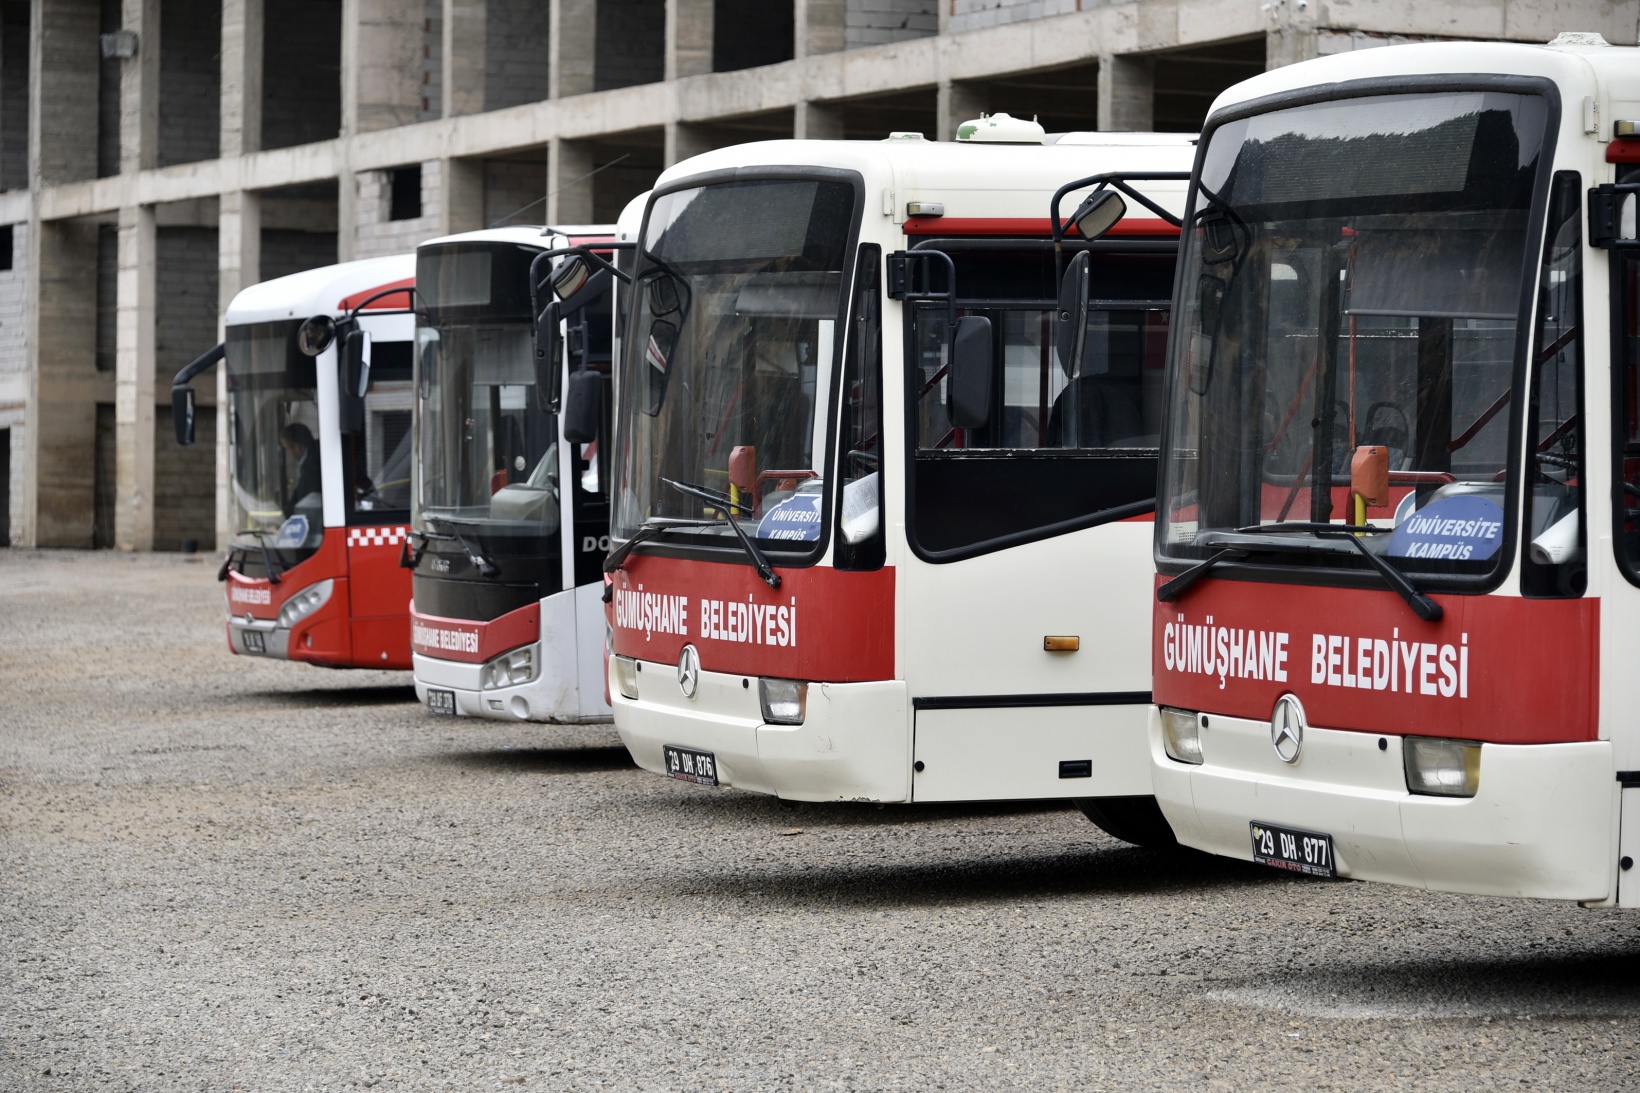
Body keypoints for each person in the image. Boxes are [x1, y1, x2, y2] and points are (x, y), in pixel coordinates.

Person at [281, 422, 322, 515]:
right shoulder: (313, 456)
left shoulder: (312, 466)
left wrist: (284, 515)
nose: (288, 453)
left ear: (297, 447)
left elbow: (303, 494)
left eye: (287, 449)